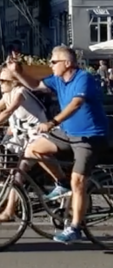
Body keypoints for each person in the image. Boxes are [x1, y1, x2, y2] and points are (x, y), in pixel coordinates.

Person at [7, 45, 109, 243]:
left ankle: (75, 227)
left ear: (67, 63)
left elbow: (76, 104)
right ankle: (61, 182)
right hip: (68, 133)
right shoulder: (58, 80)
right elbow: (35, 85)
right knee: (35, 149)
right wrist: (18, 73)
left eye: (53, 62)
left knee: (78, 181)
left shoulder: (83, 78)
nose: (50, 65)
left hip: (89, 137)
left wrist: (53, 122)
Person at [0, 68, 48, 224]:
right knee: (5, 163)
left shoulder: (20, 92)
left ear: (14, 82)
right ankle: (17, 197)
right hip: (22, 139)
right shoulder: (7, 94)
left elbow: (9, 111)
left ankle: (11, 210)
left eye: (2, 81)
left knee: (18, 172)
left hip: (37, 138)